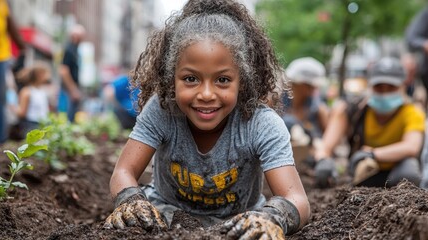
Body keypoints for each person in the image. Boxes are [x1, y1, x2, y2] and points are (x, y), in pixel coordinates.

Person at [103, 0, 310, 238]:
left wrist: (271, 217)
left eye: (222, 80)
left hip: (240, 226)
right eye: (191, 79)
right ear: (172, 78)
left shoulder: (261, 124)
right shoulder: (162, 110)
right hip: (164, 220)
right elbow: (123, 172)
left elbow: (297, 199)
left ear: (242, 81)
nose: (206, 94)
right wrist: (130, 201)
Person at [313, 57, 425, 188]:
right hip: (364, 173)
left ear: (403, 86)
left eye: (391, 87)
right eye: (379, 87)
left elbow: (411, 147)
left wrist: (372, 154)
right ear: (370, 86)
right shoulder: (353, 110)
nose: (384, 93)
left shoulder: (413, 112)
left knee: (409, 172)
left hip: (396, 173)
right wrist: (323, 160)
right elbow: (326, 146)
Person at [282, 57, 329, 146]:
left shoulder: (318, 109)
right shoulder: (276, 104)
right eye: (310, 86)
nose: (313, 89)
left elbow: (328, 139)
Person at [0, 0, 26, 143]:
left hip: (1, 56)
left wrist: (22, 46)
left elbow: (11, 26)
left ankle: (1, 139)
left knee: (0, 99)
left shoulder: (3, 3)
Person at [9, 62, 51, 140]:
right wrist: (12, 106)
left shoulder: (43, 91)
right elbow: (22, 113)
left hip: (42, 125)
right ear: (39, 74)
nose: (48, 76)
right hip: (30, 126)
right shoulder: (27, 92)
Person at [58, 24, 85, 122]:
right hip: (68, 91)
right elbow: (63, 70)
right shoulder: (69, 49)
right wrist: (73, 90)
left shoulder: (75, 50)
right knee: (66, 119)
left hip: (71, 90)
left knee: (71, 118)